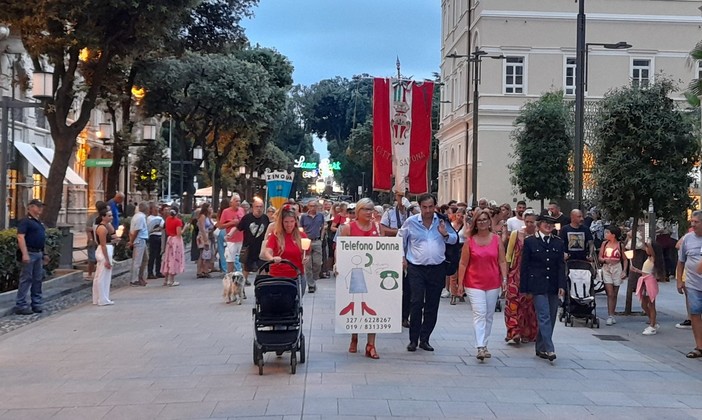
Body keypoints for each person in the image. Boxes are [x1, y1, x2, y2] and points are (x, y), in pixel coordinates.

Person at [398, 194, 457, 352]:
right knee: (416, 302)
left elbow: (454, 239)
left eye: (431, 207)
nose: (428, 210)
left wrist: (445, 234)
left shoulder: (442, 220)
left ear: (435, 206)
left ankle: (425, 339)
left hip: (437, 267)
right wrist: (402, 258)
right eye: (424, 207)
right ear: (419, 207)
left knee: (432, 305)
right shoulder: (411, 222)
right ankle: (413, 339)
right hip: (416, 267)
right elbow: (400, 240)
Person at [457, 208, 508, 361]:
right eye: (479, 220)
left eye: (485, 219)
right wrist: (460, 284)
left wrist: (504, 279)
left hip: (493, 282)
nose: (482, 222)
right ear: (475, 223)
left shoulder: (496, 239)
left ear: (489, 221)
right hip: (473, 282)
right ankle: (480, 346)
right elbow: (463, 263)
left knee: (489, 315)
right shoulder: (470, 241)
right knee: (480, 312)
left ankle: (484, 344)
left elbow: (502, 260)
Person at [338, 198, 381, 359]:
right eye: (366, 210)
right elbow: (341, 249)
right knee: (355, 304)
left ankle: (371, 344)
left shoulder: (376, 227)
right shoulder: (349, 228)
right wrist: (339, 266)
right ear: (358, 211)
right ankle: (354, 336)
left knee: (373, 306)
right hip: (355, 273)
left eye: (371, 210)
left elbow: (382, 248)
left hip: (372, 272)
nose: (370, 213)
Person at [520, 215, 566, 362]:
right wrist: (525, 288)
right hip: (537, 284)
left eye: (551, 224)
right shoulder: (530, 242)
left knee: (551, 317)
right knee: (544, 315)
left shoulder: (558, 242)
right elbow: (525, 266)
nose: (548, 226)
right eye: (545, 223)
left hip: (552, 284)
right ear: (539, 225)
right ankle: (549, 348)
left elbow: (560, 265)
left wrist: (562, 285)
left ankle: (540, 347)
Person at [503, 210, 538, 344]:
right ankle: (513, 332)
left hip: (531, 275)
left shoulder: (538, 236)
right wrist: (506, 276)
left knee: (528, 306)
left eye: (532, 222)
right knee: (512, 303)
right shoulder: (516, 234)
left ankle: (527, 333)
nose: (529, 224)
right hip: (515, 273)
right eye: (527, 221)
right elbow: (509, 255)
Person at [261, 204, 309, 295]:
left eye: (291, 221)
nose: (289, 225)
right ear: (282, 222)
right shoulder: (276, 236)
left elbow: (307, 253)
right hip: (278, 276)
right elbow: (267, 251)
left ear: (295, 221)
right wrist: (272, 259)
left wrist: (306, 258)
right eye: (286, 222)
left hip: (297, 275)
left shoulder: (302, 236)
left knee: (296, 303)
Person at [380, 192, 412, 327]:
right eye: (400, 196)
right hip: (393, 251)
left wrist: (410, 207)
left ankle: (405, 316)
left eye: (406, 195)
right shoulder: (389, 213)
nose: (403, 198)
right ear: (395, 198)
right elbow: (383, 229)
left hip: (410, 252)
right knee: (392, 285)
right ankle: (391, 313)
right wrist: (400, 231)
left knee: (408, 288)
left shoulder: (413, 212)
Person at [14, 199, 47, 315]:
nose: (40, 209)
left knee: (37, 279)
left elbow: (41, 239)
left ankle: (36, 303)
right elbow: (20, 237)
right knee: (26, 279)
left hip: (38, 253)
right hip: (30, 252)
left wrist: (44, 254)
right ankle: (21, 304)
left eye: (41, 206)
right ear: (31, 207)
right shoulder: (25, 221)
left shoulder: (38, 222)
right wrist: (25, 253)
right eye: (38, 206)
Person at [678, 210, 702, 358]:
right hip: (693, 284)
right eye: (691, 222)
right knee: (695, 314)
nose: (692, 225)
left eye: (696, 222)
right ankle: (699, 346)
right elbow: (681, 261)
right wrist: (679, 280)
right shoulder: (687, 239)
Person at [633, 241, 665, 335]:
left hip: (650, 282)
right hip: (644, 281)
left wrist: (649, 243)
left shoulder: (653, 258)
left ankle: (652, 324)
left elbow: (652, 252)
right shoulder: (648, 258)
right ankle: (652, 320)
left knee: (651, 305)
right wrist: (636, 270)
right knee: (644, 305)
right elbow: (645, 271)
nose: (646, 250)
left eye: (648, 248)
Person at [599, 225, 628, 326]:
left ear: (613, 235)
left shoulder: (620, 245)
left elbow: (624, 259)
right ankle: (610, 315)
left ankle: (612, 313)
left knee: (615, 293)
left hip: (617, 268)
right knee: (610, 293)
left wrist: (624, 271)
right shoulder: (604, 243)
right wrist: (604, 260)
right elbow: (600, 257)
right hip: (607, 268)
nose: (606, 234)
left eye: (608, 233)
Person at [238, 197, 270, 282]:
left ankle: (261, 286)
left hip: (261, 248)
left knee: (263, 269)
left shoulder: (265, 218)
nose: (259, 209)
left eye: (261, 206)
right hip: (249, 248)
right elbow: (239, 228)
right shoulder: (246, 218)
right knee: (246, 269)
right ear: (253, 207)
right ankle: (242, 289)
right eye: (257, 206)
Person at [300, 200, 325, 293]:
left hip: (317, 240)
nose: (313, 208)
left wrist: (321, 238)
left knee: (318, 263)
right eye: (311, 206)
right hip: (306, 241)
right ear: (308, 206)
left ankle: (314, 279)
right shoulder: (303, 217)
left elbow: (323, 227)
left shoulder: (320, 216)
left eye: (315, 206)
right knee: (308, 264)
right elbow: (300, 228)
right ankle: (311, 285)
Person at [92, 207, 115, 306]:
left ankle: (100, 298)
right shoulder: (102, 228)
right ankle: (102, 298)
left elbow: (112, 232)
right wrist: (107, 260)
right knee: (103, 276)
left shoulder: (105, 227)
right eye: (109, 216)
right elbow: (103, 245)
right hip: (104, 252)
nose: (111, 217)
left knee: (101, 276)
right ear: (103, 217)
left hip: (105, 250)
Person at [219, 194, 246, 274]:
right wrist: (231, 223)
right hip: (231, 240)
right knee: (230, 259)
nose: (238, 203)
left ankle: (243, 277)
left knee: (243, 259)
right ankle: (230, 276)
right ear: (231, 202)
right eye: (236, 201)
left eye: (239, 201)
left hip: (241, 238)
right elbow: (220, 226)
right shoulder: (226, 211)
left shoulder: (241, 210)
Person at [161, 206, 185, 287]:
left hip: (169, 239)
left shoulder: (167, 219)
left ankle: (166, 279)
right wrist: (185, 228)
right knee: (174, 259)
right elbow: (179, 233)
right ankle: (172, 280)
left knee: (167, 259)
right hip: (176, 240)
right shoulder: (178, 221)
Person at [128, 202, 149, 287]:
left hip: (140, 240)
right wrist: (132, 241)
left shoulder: (137, 216)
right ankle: (134, 279)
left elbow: (131, 231)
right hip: (139, 240)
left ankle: (140, 277)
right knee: (137, 261)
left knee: (145, 259)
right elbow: (137, 230)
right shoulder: (140, 217)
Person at [448, 207, 466, 305]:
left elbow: (467, 235)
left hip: (463, 247)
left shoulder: (465, 226)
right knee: (453, 273)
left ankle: (461, 293)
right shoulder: (451, 225)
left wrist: (466, 222)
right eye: (458, 215)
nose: (459, 217)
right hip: (453, 248)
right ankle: (453, 294)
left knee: (462, 272)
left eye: (462, 216)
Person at [85, 201, 106, 280]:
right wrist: (90, 238)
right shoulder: (92, 217)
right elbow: (88, 228)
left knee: (99, 258)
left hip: (101, 240)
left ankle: (97, 274)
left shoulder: (104, 216)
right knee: (92, 258)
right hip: (93, 239)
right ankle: (90, 274)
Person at [147, 202, 165, 279]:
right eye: (155, 208)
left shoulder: (160, 218)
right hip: (152, 236)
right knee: (152, 255)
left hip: (159, 236)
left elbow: (163, 227)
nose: (157, 209)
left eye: (158, 208)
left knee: (159, 255)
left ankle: (158, 271)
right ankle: (150, 272)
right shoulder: (149, 218)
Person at [196, 203, 214, 278]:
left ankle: (204, 269)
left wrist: (210, 215)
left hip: (207, 234)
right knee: (202, 254)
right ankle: (200, 271)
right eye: (209, 207)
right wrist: (205, 240)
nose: (210, 208)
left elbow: (211, 225)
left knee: (206, 255)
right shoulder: (202, 216)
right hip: (202, 236)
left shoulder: (207, 217)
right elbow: (202, 228)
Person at [216, 199, 230, 273]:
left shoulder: (219, 212)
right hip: (229, 230)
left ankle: (224, 269)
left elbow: (218, 223)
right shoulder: (230, 211)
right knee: (231, 250)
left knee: (221, 251)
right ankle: (231, 267)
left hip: (221, 231)